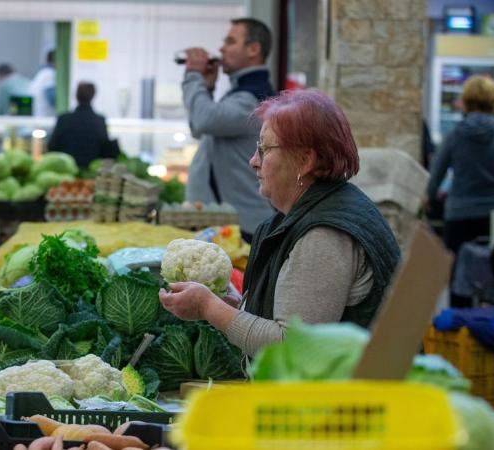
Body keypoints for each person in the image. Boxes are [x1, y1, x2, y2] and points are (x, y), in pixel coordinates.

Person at [159, 89, 401, 358]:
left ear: (304, 160)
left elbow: (290, 347)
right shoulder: (313, 212)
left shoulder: (324, 235)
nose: (253, 161)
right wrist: (231, 304)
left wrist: (208, 307)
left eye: (264, 149)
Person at [182, 17, 276, 241]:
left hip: (243, 228)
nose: (221, 48)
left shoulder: (253, 98)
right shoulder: (241, 92)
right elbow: (200, 127)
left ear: (253, 49)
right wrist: (207, 88)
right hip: (229, 225)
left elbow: (205, 120)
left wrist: (193, 77)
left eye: (230, 41)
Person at [426, 75, 494, 307]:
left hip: (459, 214)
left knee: (459, 279)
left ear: (466, 100)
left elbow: (436, 176)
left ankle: (459, 331)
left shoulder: (456, 134)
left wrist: (430, 198)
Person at [48, 82, 118, 168]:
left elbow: (52, 147)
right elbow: (105, 150)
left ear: (76, 96)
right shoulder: (99, 120)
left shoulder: (64, 119)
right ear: (93, 96)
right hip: (91, 173)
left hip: (66, 171)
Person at [29, 50, 56, 117]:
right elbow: (53, 100)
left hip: (39, 118)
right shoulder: (50, 75)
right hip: (44, 119)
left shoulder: (42, 74)